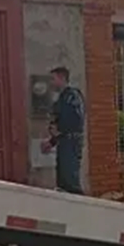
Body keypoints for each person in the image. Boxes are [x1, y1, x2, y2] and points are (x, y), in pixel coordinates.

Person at [42, 66, 86, 195]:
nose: (51, 82)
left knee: (70, 181)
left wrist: (58, 129)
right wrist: (52, 141)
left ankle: (80, 210)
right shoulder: (62, 98)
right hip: (64, 142)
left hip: (71, 143)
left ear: (62, 78)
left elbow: (75, 120)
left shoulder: (72, 96)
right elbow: (58, 122)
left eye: (53, 79)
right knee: (62, 183)